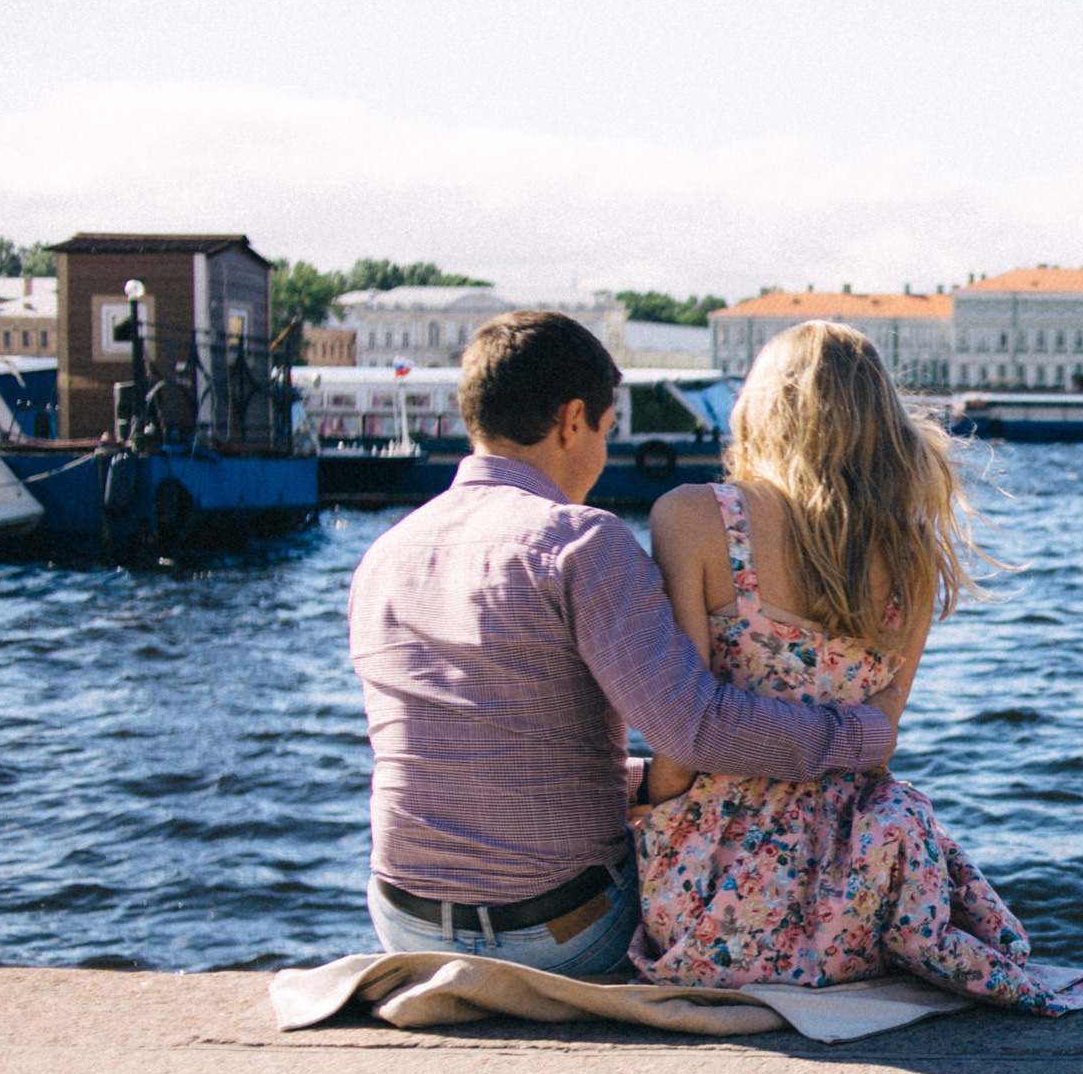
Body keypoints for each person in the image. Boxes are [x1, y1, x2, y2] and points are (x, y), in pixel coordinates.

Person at [348, 311, 898, 976]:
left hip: (404, 923)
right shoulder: (581, 541)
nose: (605, 454)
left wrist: (638, 781)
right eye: (608, 431)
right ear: (572, 420)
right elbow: (696, 725)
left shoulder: (383, 556)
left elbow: (479, 745)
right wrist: (859, 734)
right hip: (560, 932)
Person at [631, 322, 1083, 1015]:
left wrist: (642, 805)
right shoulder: (913, 554)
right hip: (856, 904)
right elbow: (878, 736)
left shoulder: (695, 516)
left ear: (763, 408)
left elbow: (681, 740)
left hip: (710, 908)